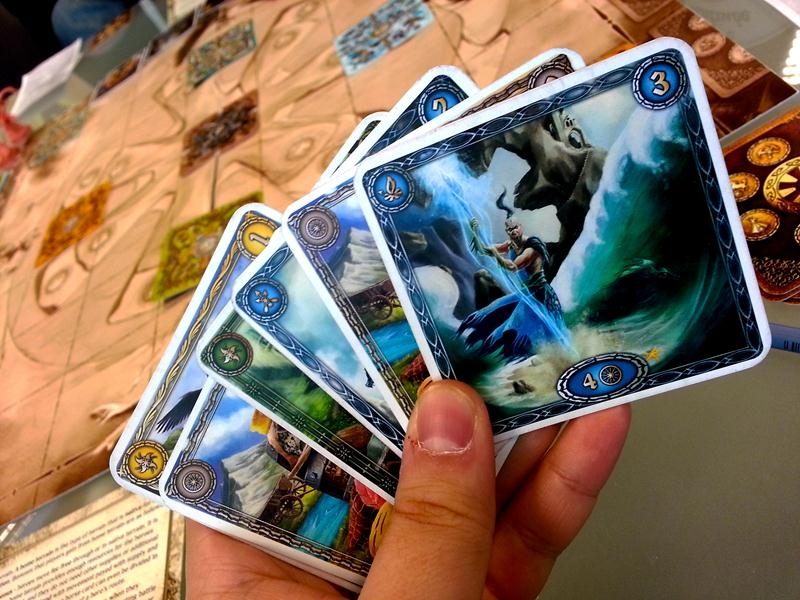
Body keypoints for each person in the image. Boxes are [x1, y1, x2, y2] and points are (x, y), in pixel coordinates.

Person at [185, 379, 630, 599]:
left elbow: (320, 452)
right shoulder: (279, 443)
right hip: (359, 488)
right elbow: (300, 462)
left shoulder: (292, 438)